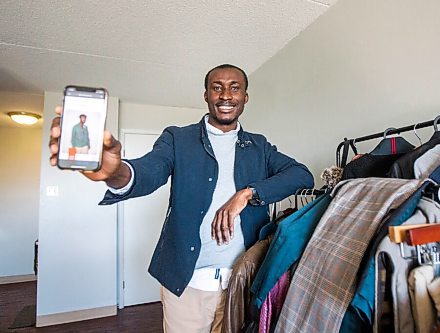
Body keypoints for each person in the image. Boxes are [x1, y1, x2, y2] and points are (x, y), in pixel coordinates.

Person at [49, 64, 314, 332]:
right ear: (206, 95)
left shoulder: (260, 146)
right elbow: (149, 171)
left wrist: (248, 193)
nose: (225, 95)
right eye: (217, 88)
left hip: (241, 284)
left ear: (245, 97)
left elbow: (301, 175)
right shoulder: (177, 138)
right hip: (187, 285)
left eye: (234, 88)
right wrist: (116, 172)